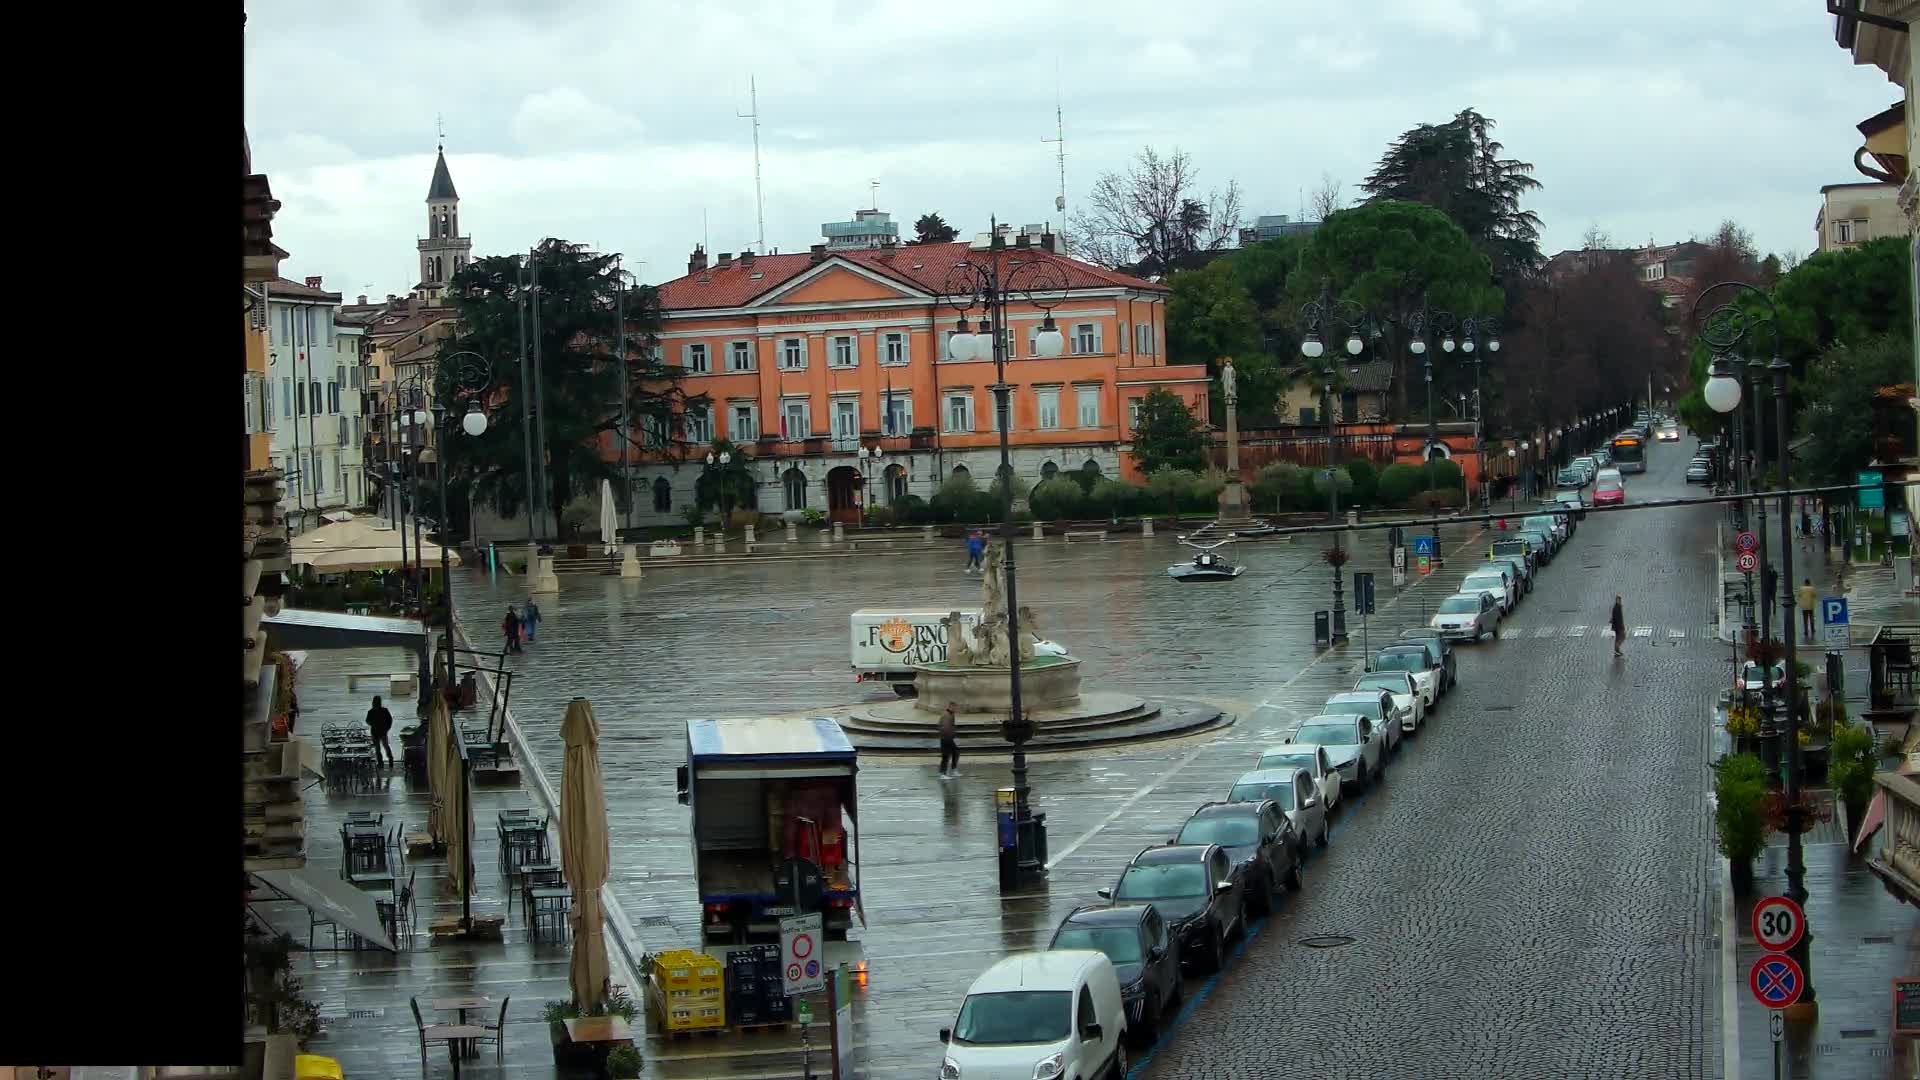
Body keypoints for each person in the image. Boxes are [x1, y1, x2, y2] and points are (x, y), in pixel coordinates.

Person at [366, 694, 395, 767]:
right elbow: (390, 720)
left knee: (377, 748)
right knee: (386, 746)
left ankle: (380, 762)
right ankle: (390, 759)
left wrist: (373, 723)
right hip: (383, 731)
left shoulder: (371, 711)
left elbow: (367, 721)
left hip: (375, 732)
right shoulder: (385, 710)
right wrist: (387, 728)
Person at [938, 702, 960, 778]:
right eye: (955, 707)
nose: (956, 709)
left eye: (956, 708)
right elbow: (945, 727)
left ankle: (953, 770)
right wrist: (950, 735)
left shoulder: (951, 714)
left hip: (948, 737)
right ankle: (943, 774)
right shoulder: (946, 715)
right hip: (946, 738)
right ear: (950, 707)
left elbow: (951, 726)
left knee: (955, 752)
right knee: (946, 755)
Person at [1798, 577, 1817, 641]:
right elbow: (1814, 595)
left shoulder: (1801, 588)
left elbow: (1799, 595)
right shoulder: (1812, 588)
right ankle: (1812, 629)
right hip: (1810, 605)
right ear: (1809, 583)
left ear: (1805, 583)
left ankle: (1806, 631)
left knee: (1805, 619)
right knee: (1811, 618)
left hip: (1804, 606)